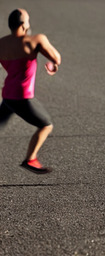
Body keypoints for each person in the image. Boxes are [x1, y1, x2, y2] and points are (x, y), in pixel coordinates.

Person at [0, 9, 61, 173]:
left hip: (7, 94)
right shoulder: (35, 40)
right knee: (46, 125)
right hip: (22, 97)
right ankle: (30, 159)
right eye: (27, 20)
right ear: (22, 25)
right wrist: (52, 65)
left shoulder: (1, 43)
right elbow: (56, 58)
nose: (29, 23)